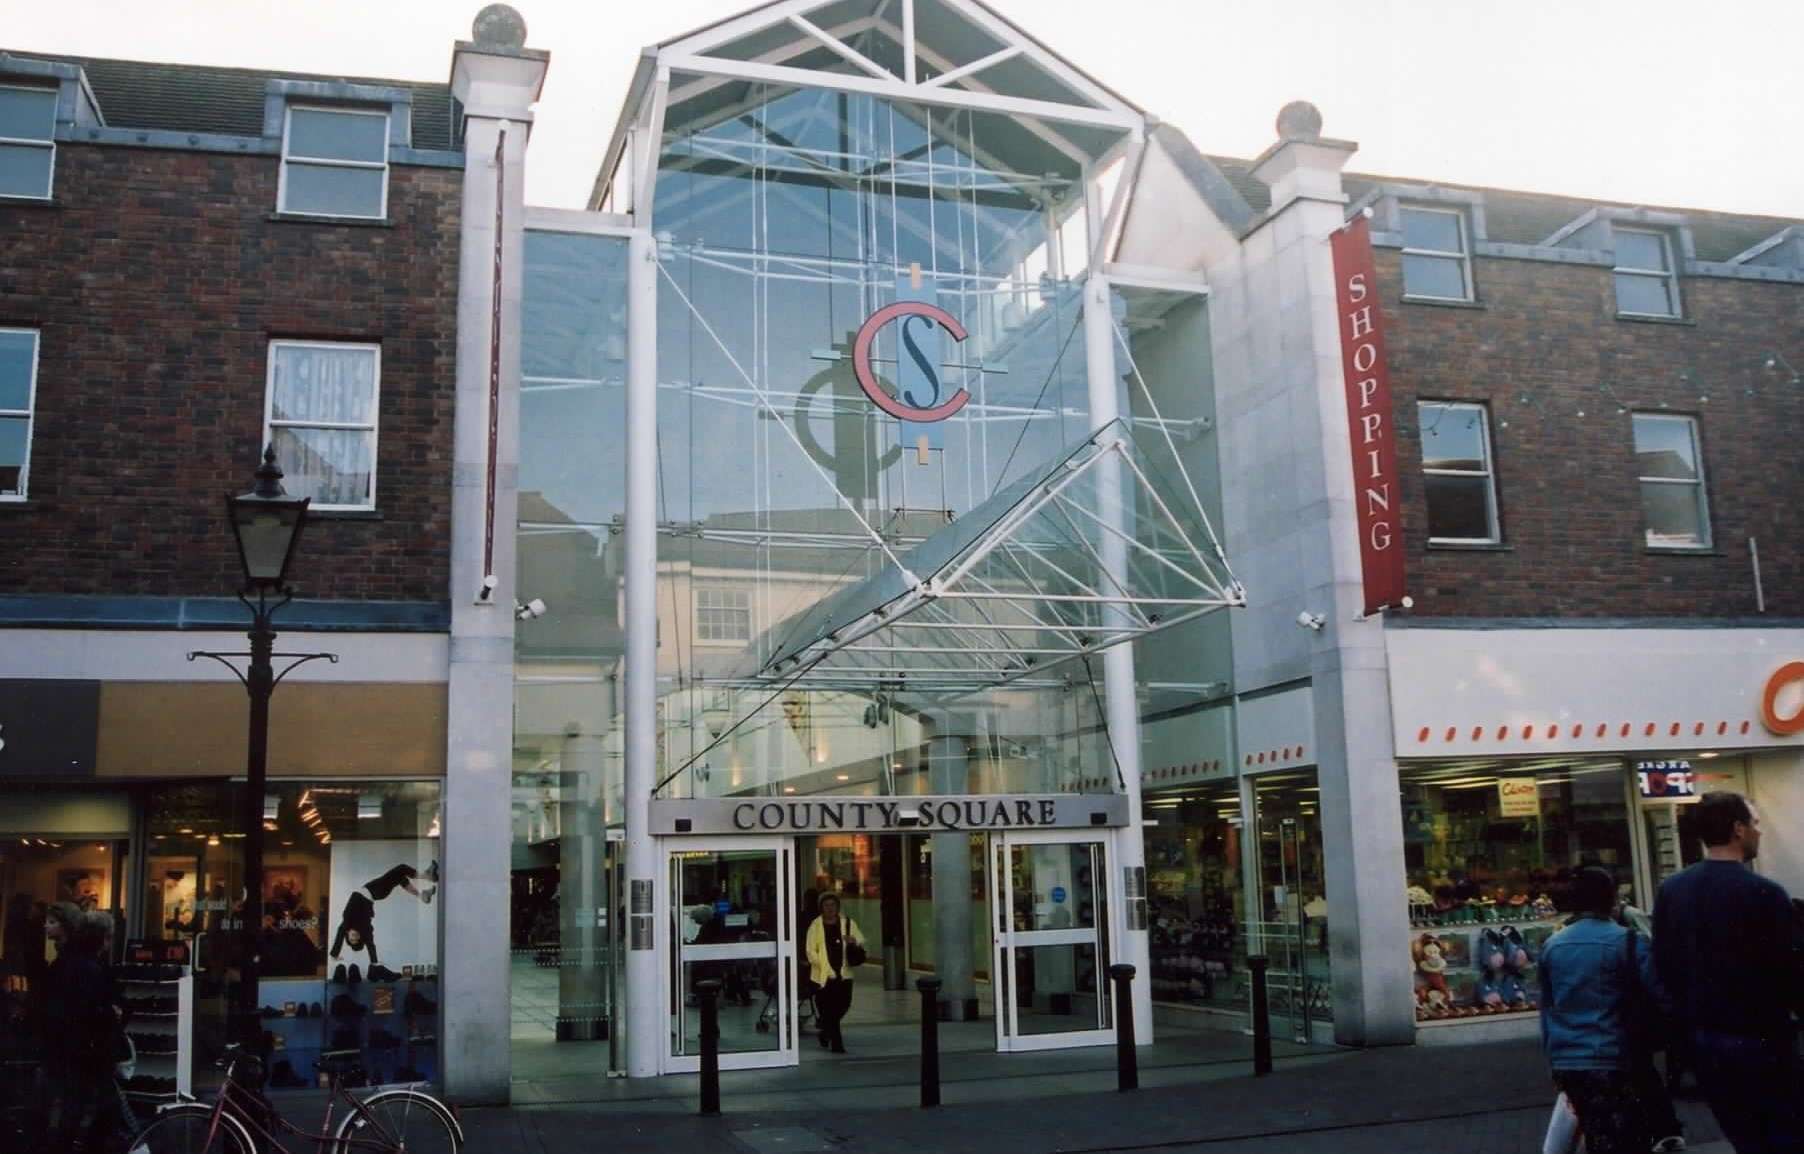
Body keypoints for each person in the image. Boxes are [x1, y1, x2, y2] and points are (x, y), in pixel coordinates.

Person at [1653, 791, 1801, 1154]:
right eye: (1754, 823)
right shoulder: (1764, 893)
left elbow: (1664, 966)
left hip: (1704, 1041)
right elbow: (1791, 971)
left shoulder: (1672, 892)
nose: (1759, 832)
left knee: (1743, 1136)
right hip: (1764, 1038)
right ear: (1738, 829)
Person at [1536, 867, 1663, 1154]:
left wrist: (1553, 1060)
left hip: (1568, 1059)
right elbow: (1659, 993)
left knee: (1595, 1132)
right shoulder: (1628, 941)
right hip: (1615, 1055)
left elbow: (1547, 1009)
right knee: (1624, 1136)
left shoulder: (1553, 945)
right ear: (1610, 899)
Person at [38, 902, 116, 1154]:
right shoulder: (88, 966)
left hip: (71, 1045)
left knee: (75, 1104)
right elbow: (90, 1009)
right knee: (90, 1104)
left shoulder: (67, 962)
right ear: (103, 939)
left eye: (52, 921)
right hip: (85, 1048)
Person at [329, 861, 438, 968]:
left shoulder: (346, 924)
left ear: (347, 937)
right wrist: (374, 962)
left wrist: (334, 954)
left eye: (352, 940)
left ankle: (422, 896)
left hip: (374, 890)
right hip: (376, 891)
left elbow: (339, 936)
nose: (355, 937)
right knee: (401, 868)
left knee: (400, 878)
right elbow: (370, 944)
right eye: (357, 939)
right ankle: (427, 876)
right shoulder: (363, 928)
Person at [804, 893, 864, 1054]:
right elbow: (810, 951)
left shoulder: (848, 923)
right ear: (821, 908)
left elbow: (860, 940)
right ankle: (837, 1045)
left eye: (833, 905)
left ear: (838, 907)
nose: (830, 908)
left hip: (844, 974)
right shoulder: (815, 926)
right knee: (829, 1009)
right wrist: (825, 968)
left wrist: (853, 941)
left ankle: (825, 1031)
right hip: (823, 976)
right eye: (826, 905)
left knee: (844, 1005)